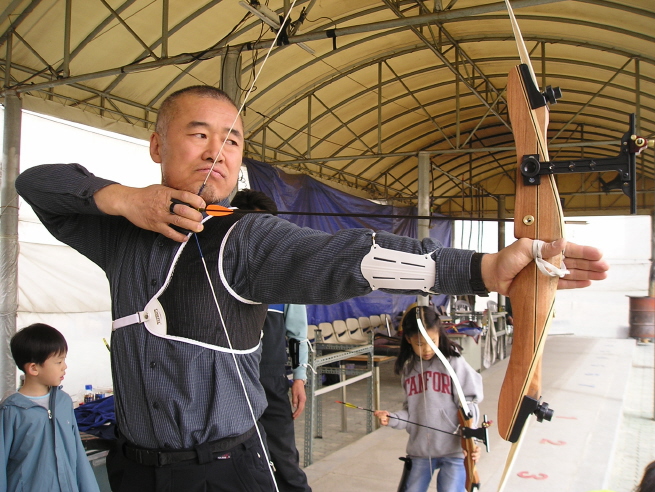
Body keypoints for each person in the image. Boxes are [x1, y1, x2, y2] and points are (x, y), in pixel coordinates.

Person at [15, 85, 609, 492]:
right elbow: (36, 183)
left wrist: (480, 269)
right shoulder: (121, 233)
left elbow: (350, 258)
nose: (217, 152)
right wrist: (123, 199)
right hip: (134, 468)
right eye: (199, 135)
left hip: (223, 470)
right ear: (157, 146)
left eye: (232, 141)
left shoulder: (245, 237)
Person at [231, 189, 312, 492]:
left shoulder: (285, 273)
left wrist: (299, 378)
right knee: (237, 461)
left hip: (271, 380)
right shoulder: (218, 270)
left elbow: (297, 333)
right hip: (229, 381)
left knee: (284, 459)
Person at [374, 306, 482, 492]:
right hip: (420, 451)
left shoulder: (453, 362)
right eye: (419, 343)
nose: (426, 349)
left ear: (439, 334)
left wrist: (471, 441)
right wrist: (392, 418)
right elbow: (410, 412)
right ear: (408, 339)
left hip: (455, 450)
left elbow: (469, 405)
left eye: (432, 341)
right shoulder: (409, 370)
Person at [0, 323, 100, 492]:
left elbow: (78, 456)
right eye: (58, 361)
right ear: (33, 368)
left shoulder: (64, 403)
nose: (64, 366)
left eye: (64, 360)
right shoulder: (11, 411)